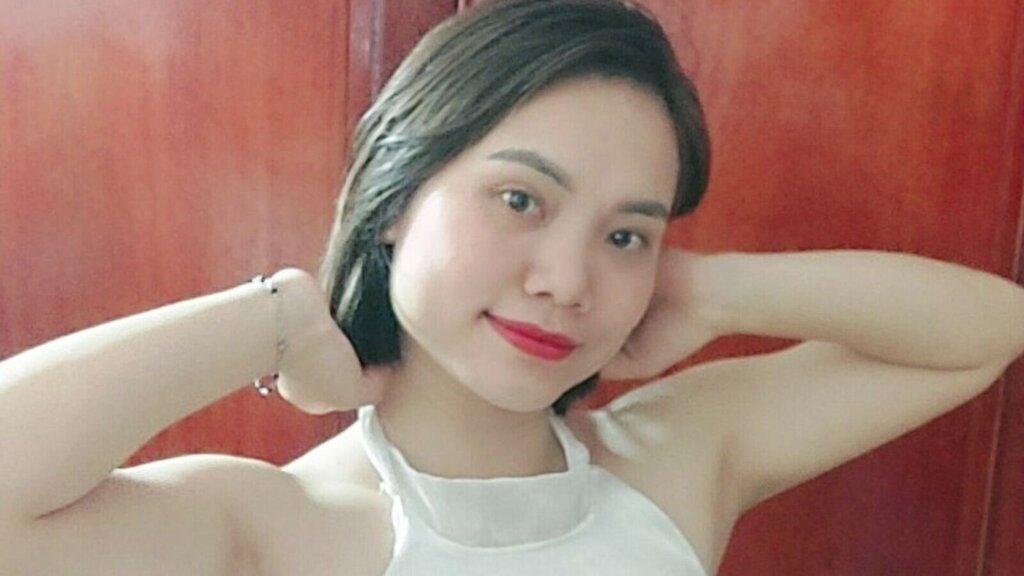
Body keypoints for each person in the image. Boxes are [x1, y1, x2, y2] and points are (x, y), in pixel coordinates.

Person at [2, 0, 1023, 574]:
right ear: (396, 198)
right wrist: (271, 320)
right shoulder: (274, 523)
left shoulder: (678, 457)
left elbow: (987, 330)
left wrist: (713, 293)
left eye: (624, 234)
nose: (569, 281)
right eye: (520, 200)